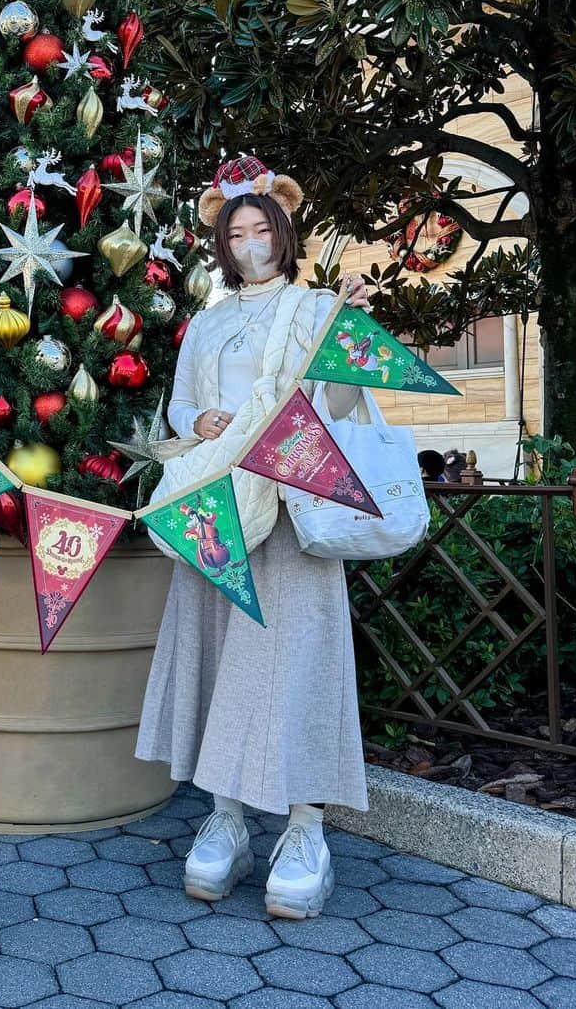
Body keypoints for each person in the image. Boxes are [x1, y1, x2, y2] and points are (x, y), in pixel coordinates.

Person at [136, 155, 373, 922]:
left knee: (295, 653)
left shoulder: (311, 307)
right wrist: (194, 422)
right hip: (213, 503)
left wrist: (349, 331)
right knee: (217, 653)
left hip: (288, 501)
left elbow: (341, 402)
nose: (249, 243)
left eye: (260, 228)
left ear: (284, 230)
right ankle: (229, 816)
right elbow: (180, 404)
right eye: (234, 232)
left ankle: (306, 829)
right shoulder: (206, 319)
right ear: (222, 243)